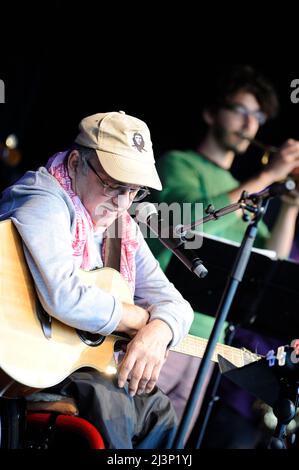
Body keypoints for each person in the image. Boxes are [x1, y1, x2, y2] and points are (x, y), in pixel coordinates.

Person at [0, 111, 194, 449]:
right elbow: (63, 295)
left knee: (160, 411)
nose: (121, 202)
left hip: (75, 367)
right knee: (113, 401)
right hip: (30, 362)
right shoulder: (41, 196)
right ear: (76, 162)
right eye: (113, 185)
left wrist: (158, 332)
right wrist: (136, 317)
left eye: (134, 191)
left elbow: (176, 304)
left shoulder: (121, 226)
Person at [149, 66, 299, 448]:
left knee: (172, 448)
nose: (251, 124)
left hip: (209, 345)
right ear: (211, 114)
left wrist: (292, 207)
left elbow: (272, 261)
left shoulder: (249, 192)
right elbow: (189, 222)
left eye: (259, 117)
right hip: (160, 328)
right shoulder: (178, 164)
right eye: (241, 111)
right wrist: (270, 177)